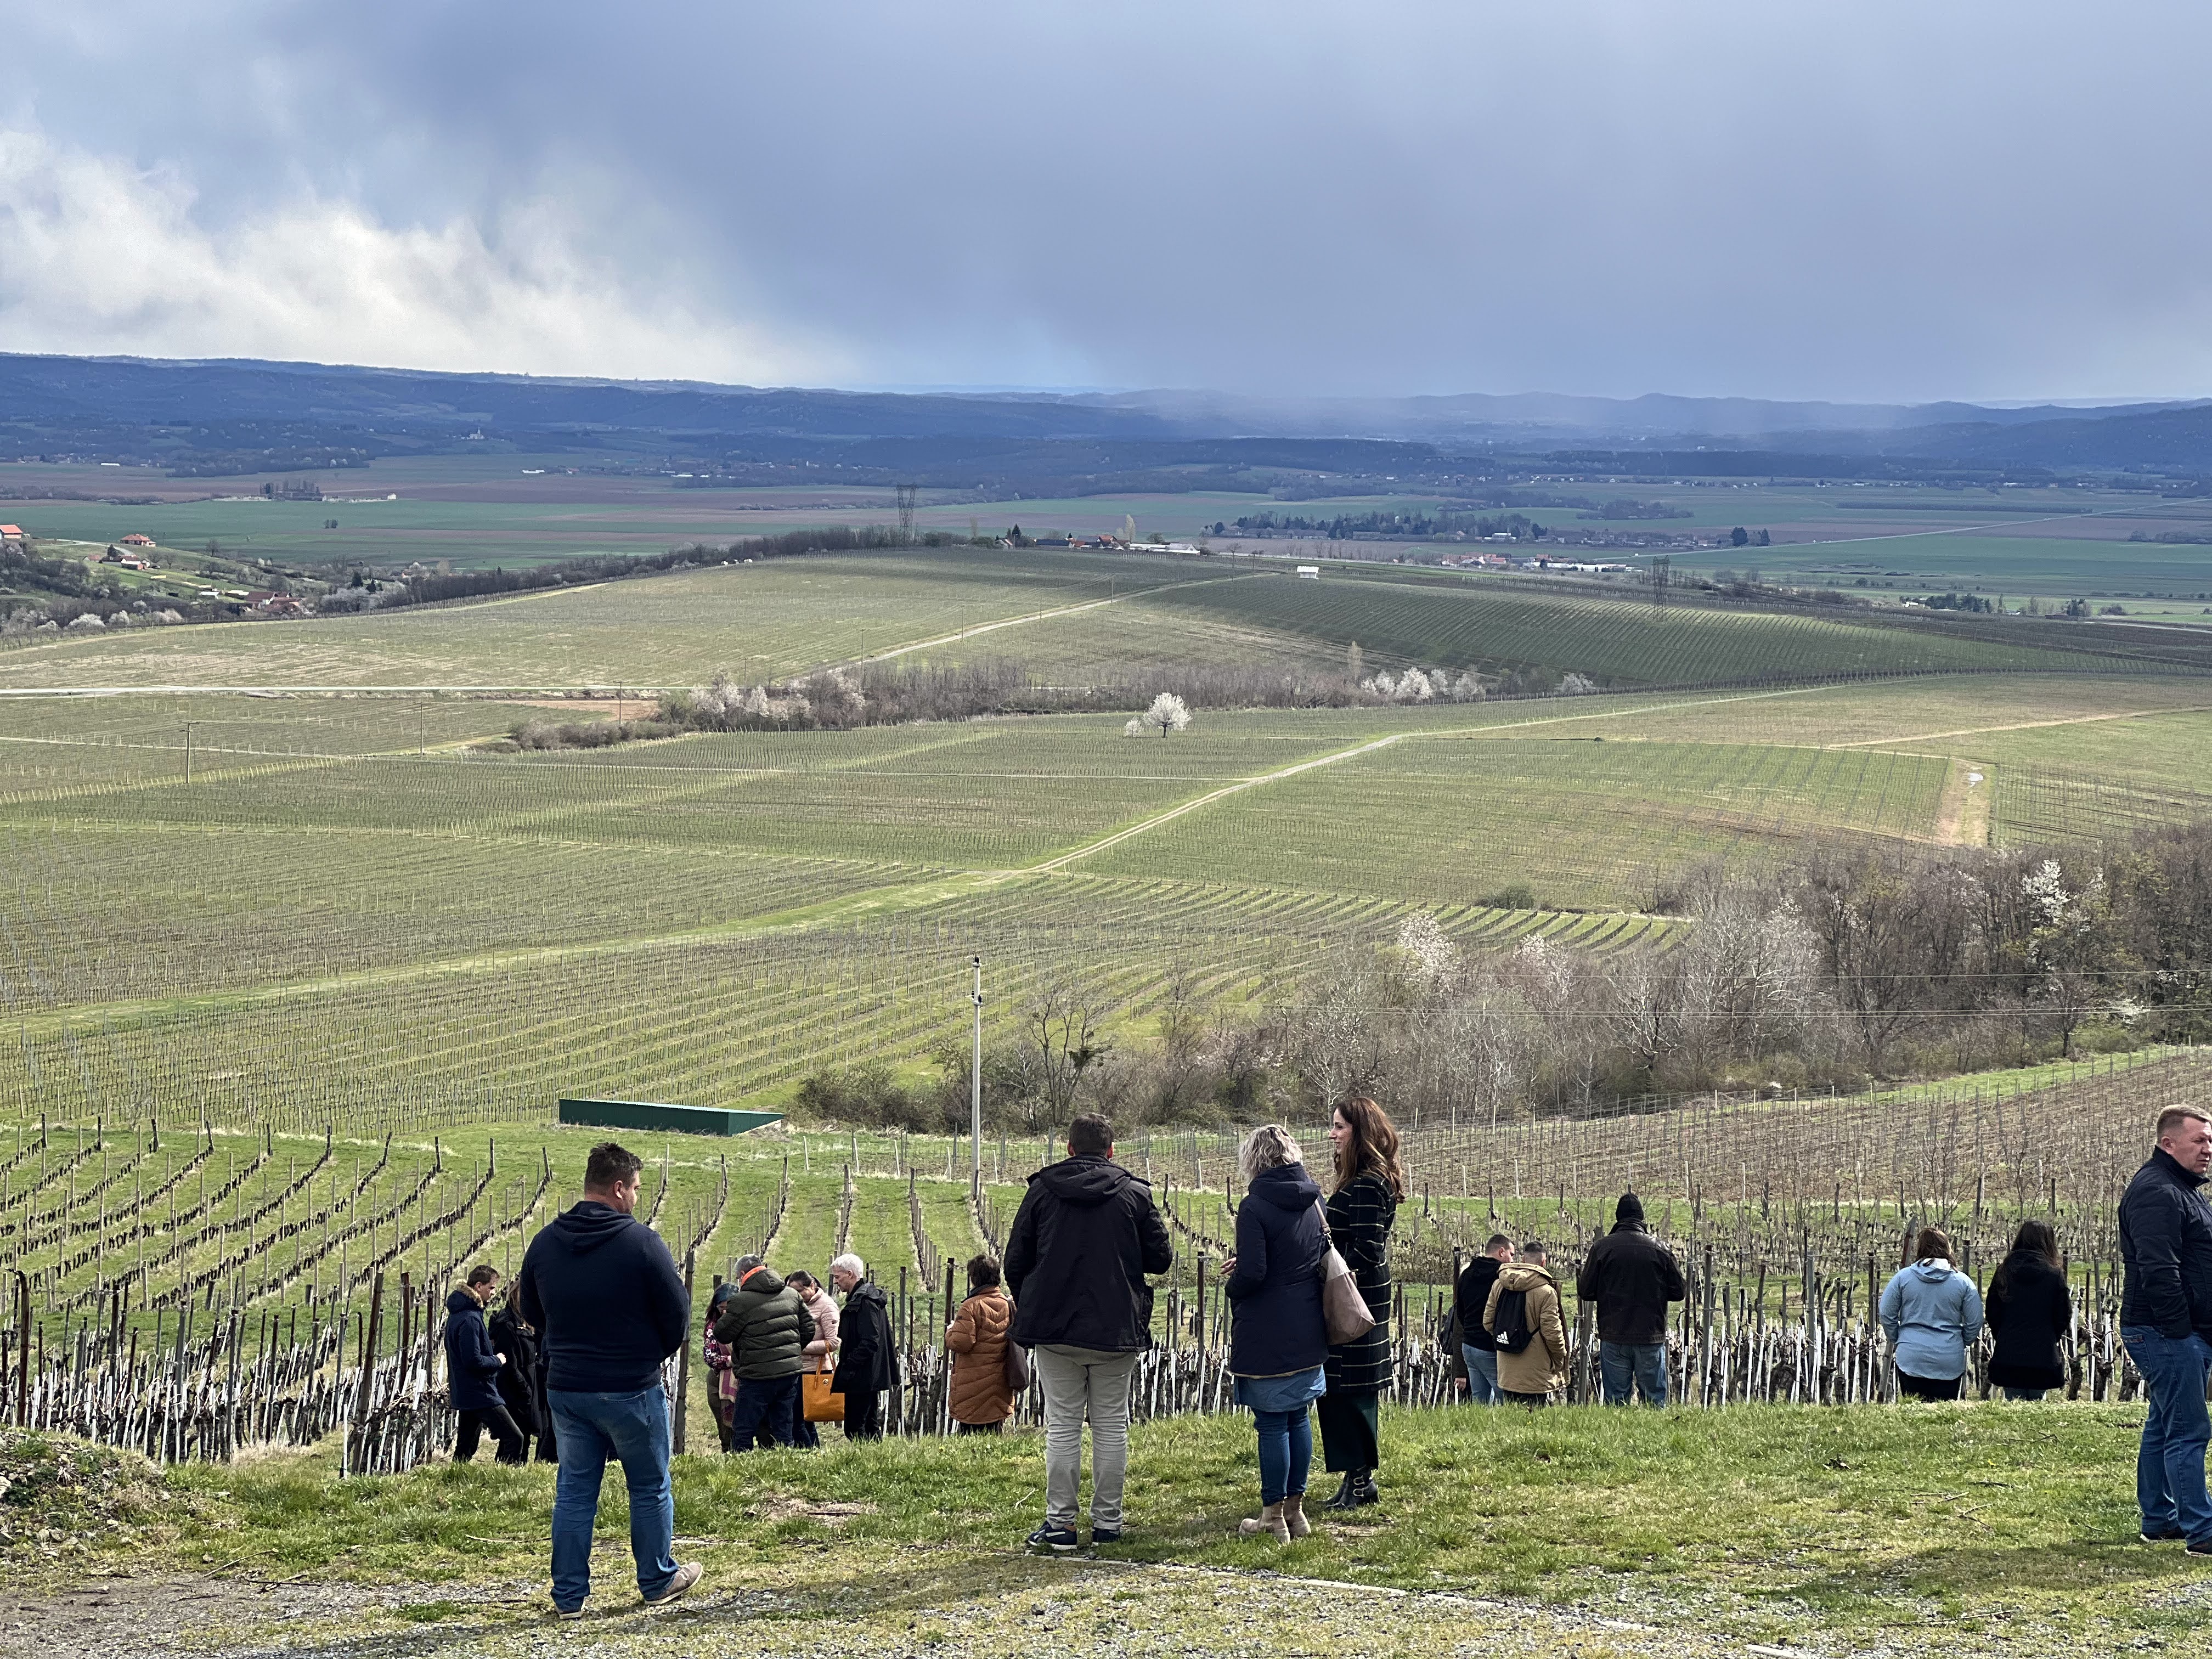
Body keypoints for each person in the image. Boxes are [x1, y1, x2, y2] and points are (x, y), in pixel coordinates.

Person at [516, 1142, 701, 1617]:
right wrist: (646, 1356)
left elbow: (532, 1312)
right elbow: (677, 1317)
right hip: (629, 1385)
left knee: (575, 1490)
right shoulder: (642, 1243)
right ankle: (658, 1579)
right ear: (618, 1188)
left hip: (567, 1387)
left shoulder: (544, 1242)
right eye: (637, 1189)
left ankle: (569, 1597)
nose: (638, 1198)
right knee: (649, 1485)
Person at [1005, 1112, 1174, 1553]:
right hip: (1116, 1327)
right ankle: (1108, 1525)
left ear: (1069, 1148)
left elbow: (1015, 1261)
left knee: (1062, 1428)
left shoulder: (1042, 1191)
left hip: (1055, 1328)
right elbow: (1161, 1259)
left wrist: (1035, 1303)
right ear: (1112, 1150)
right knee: (1111, 1427)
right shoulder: (1135, 1193)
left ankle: (1060, 1526)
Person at [1223, 1124, 1329, 1543]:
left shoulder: (1254, 1206)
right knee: (1299, 1417)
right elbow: (1314, 1252)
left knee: (1270, 1422)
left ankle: (1271, 1517)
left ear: (1254, 1160)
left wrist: (1233, 1285)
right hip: (1308, 1323)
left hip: (1268, 1326)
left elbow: (1255, 1273)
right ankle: (1296, 1512)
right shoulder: (1314, 1198)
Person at [2119, 1103, 2212, 1552]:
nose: (2208, 1149)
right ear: (2168, 1142)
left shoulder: (2182, 1188)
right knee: (2190, 1431)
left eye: (2210, 1140)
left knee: (2164, 1424)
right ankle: (2202, 1530)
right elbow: (2159, 1269)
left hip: (2174, 1330)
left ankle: (2159, 1517)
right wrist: (2183, 1332)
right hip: (2164, 1330)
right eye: (2199, 1140)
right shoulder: (2158, 1191)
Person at [1317, 1095, 1402, 1511]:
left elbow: (1367, 1249)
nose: (1331, 1134)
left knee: (1353, 1391)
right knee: (1343, 1389)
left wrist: (1330, 1270)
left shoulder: (1368, 1184)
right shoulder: (1362, 1179)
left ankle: (1362, 1480)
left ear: (1360, 1132)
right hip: (1355, 1294)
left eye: (1339, 1127)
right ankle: (1355, 1478)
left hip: (1358, 1298)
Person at [1577, 1193, 1686, 1408]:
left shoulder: (1602, 1248)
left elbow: (1586, 1291)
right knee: (1654, 1400)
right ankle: (1655, 1439)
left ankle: (1617, 1441)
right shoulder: (1660, 1248)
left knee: (1616, 1400)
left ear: (1618, 1218)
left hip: (1614, 1334)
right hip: (1650, 1335)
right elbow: (1679, 1292)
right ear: (1642, 1218)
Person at [712, 1254, 815, 1449]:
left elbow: (722, 1334)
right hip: (788, 1374)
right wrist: (790, 1351)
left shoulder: (741, 1301)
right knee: (784, 1425)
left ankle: (742, 1469)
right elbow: (809, 1328)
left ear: (742, 1275)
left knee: (744, 1428)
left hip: (756, 1376)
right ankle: (787, 1466)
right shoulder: (791, 1294)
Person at [1878, 1226, 1985, 1402]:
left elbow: (1886, 1313)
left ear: (1920, 1248)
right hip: (1949, 1359)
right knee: (1944, 1417)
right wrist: (1961, 1341)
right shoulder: (1963, 1282)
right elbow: (1975, 1320)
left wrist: (1899, 1338)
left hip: (1912, 1358)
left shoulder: (1903, 1278)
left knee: (1914, 1416)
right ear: (1948, 1248)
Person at [445, 1263, 526, 1464]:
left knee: (465, 1447)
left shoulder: (458, 1315)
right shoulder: (470, 1319)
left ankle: (455, 1482)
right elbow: (473, 1360)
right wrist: (496, 1360)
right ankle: (506, 1483)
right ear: (479, 1286)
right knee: (515, 1438)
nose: (493, 1292)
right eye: (491, 1288)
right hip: (480, 1392)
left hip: (466, 1390)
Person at [1985, 1220, 2073, 1403]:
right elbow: (2063, 1315)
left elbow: (1992, 1311)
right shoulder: (2054, 1275)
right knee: (2037, 1407)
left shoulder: (2004, 1271)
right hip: (2042, 1354)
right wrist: (2049, 1336)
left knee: (2013, 1408)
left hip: (2009, 1352)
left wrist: (2002, 1335)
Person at [1486, 1239, 1568, 1405]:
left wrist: (1507, 1339)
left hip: (1507, 1371)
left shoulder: (1499, 1285)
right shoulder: (1546, 1292)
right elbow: (1553, 1334)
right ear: (1544, 1262)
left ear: (1523, 1260)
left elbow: (1488, 1322)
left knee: (1511, 1423)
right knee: (1535, 1422)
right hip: (1536, 1374)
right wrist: (1560, 1359)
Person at [828, 1252, 897, 1441]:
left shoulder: (865, 1301)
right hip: (868, 1373)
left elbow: (870, 1341)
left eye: (837, 1277)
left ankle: (864, 1463)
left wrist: (849, 1364)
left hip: (862, 1375)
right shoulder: (866, 1297)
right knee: (868, 1423)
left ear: (850, 1274)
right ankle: (877, 1461)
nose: (835, 1282)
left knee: (855, 1427)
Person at [946, 1254, 1017, 1434]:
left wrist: (950, 1332)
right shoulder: (1008, 1304)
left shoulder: (971, 1306)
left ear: (974, 1278)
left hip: (973, 1386)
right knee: (994, 1434)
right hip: (1000, 1382)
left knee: (970, 1437)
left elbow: (962, 1343)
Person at [1455, 1235, 1514, 1407]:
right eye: (1511, 1254)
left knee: (1479, 1400)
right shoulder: (1501, 1278)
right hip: (1489, 1346)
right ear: (1501, 1252)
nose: (1512, 1260)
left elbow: (1460, 1312)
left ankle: (1478, 1429)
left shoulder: (1466, 1274)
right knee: (1506, 1398)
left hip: (1469, 1346)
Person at [487, 1289, 545, 1459]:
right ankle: (509, 1468)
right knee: (516, 1436)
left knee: (524, 1434)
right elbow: (510, 1364)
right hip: (516, 1388)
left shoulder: (524, 1322)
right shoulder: (508, 1325)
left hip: (527, 1383)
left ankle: (516, 1468)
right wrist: (525, 1389)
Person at [786, 1269, 840, 1449]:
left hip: (814, 1370)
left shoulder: (827, 1306)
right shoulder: (794, 1305)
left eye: (799, 1291)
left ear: (812, 1286)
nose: (796, 1296)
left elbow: (833, 1342)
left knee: (798, 1419)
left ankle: (808, 1454)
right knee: (803, 1419)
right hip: (797, 1368)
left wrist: (800, 1348)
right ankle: (815, 1453)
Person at [701, 1282, 741, 1452]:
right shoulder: (713, 1327)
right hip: (719, 1383)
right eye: (721, 1308)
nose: (724, 1312)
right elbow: (710, 1357)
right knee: (725, 1428)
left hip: (744, 1379)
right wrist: (733, 1361)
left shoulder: (745, 1323)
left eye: (728, 1308)